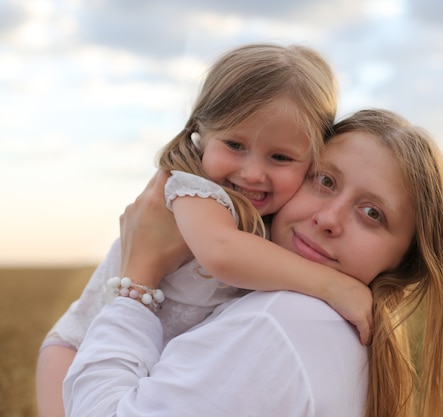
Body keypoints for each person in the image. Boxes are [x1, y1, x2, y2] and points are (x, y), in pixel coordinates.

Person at [63, 109, 443, 417]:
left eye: (372, 214)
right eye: (324, 181)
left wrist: (137, 277)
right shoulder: (347, 334)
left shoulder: (275, 323)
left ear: (406, 261)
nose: (327, 219)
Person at [36, 44, 374, 417]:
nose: (251, 173)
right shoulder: (194, 191)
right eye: (235, 145)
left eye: (280, 157)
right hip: (73, 350)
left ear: (312, 161)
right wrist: (334, 285)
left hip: (140, 364)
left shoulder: (270, 222)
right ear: (202, 133)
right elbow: (221, 253)